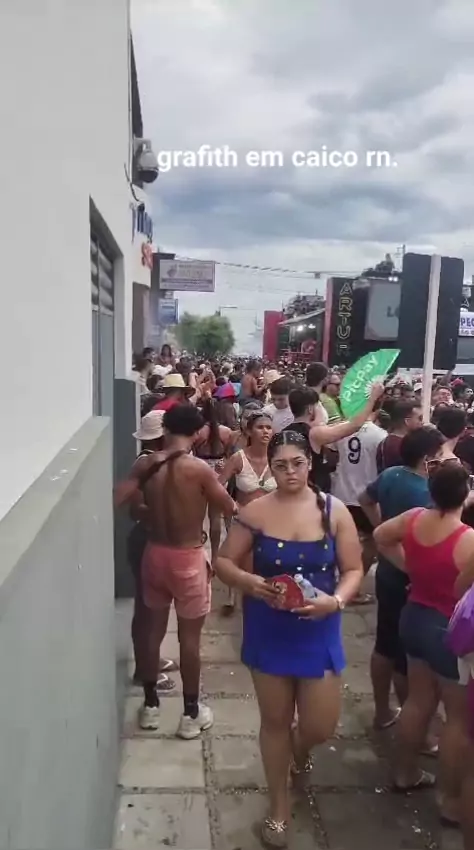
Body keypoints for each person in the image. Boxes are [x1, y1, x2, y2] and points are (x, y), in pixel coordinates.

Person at [215, 430, 363, 846]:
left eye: (297, 463)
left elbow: (354, 569)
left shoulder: (333, 511)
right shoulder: (256, 511)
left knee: (320, 726)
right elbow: (224, 561)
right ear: (272, 468)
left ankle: (300, 749)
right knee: (274, 722)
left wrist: (336, 601)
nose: (290, 472)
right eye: (280, 465)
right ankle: (278, 806)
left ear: (309, 463)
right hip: (269, 626)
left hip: (319, 626)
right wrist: (248, 581)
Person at [115, 405, 237, 738]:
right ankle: (190, 713)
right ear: (197, 433)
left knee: (152, 633)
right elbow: (228, 506)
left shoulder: (145, 464)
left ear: (165, 428)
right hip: (187, 558)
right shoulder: (198, 469)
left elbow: (124, 500)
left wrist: (148, 510)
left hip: (154, 554)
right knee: (190, 640)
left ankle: (150, 706)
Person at [373, 462, 474, 826]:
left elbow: (380, 536)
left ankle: (404, 772)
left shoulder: (414, 518)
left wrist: (409, 567)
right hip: (449, 630)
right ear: (465, 495)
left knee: (418, 701)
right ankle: (450, 801)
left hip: (414, 616)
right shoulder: (468, 539)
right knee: (458, 720)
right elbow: (463, 589)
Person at [359, 426, 445, 728]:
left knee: (384, 643)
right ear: (426, 458)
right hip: (412, 578)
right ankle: (415, 727)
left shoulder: (391, 475)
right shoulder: (426, 493)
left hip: (387, 570)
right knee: (407, 657)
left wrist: (381, 526)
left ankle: (383, 711)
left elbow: (364, 498)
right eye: (440, 454)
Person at [331, 407, 387, 597]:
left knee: (342, 542)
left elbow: (332, 455)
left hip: (342, 493)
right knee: (371, 543)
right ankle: (353, 586)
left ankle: (342, 582)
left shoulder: (341, 429)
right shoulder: (380, 435)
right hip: (366, 497)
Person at [193, 397, 235, 561]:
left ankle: (198, 550)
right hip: (219, 472)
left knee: (197, 516)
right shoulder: (227, 432)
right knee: (215, 517)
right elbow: (229, 453)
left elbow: (193, 452)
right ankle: (215, 555)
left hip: (200, 471)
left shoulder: (198, 432)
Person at [376, 400, 423, 472]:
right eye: (420, 418)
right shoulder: (405, 446)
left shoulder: (384, 442)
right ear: (407, 421)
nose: (422, 422)